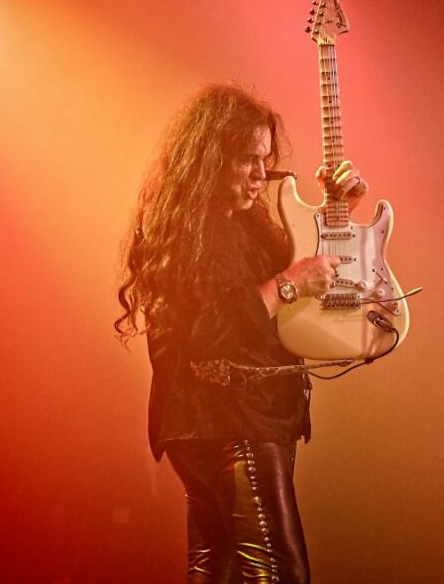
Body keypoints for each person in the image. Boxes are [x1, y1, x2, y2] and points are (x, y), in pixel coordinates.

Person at [115, 84, 368, 584]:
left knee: (219, 571)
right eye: (246, 161)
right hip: (228, 421)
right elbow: (211, 331)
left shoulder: (248, 226)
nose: (259, 176)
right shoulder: (185, 231)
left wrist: (342, 210)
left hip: (232, 420)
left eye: (264, 160)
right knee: (278, 574)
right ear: (210, 159)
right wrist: (291, 283)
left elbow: (307, 290)